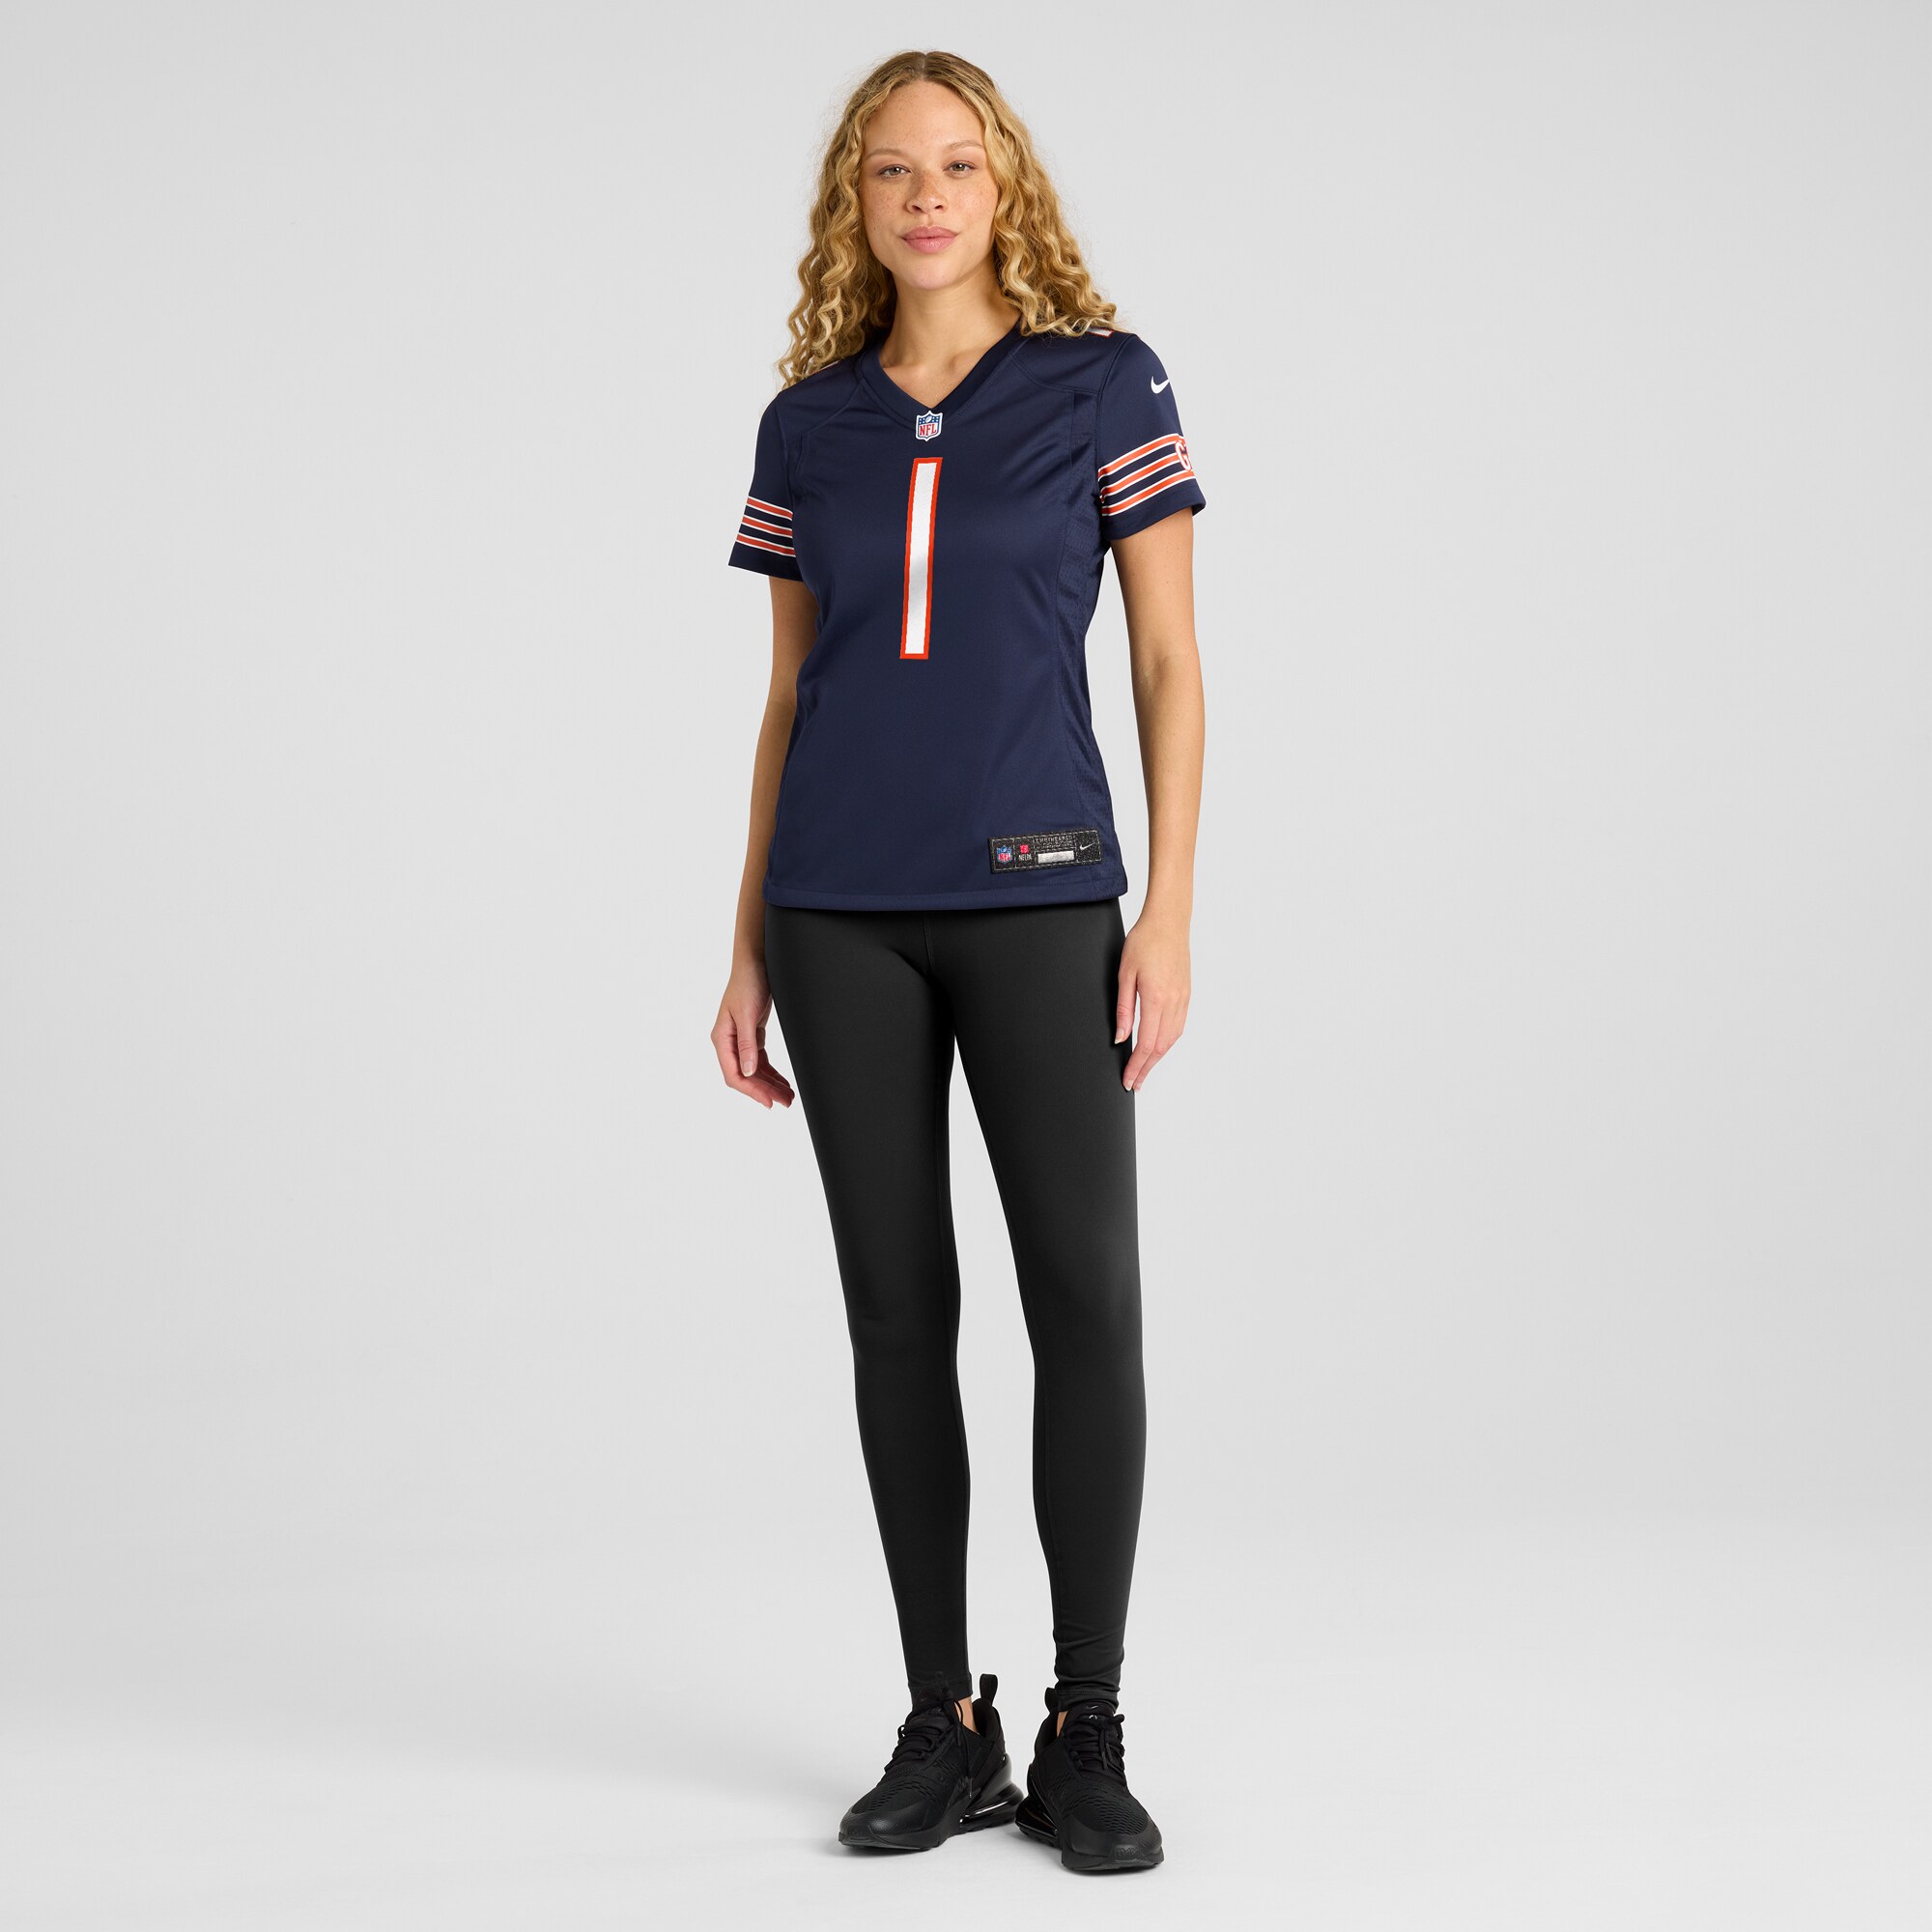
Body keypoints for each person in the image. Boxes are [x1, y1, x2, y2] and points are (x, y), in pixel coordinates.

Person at [710, 48, 1205, 1875]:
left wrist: (1167, 910)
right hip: (838, 911)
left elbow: (1168, 661)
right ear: (854, 202)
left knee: (1085, 1297)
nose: (926, 198)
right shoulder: (808, 423)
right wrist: (745, 939)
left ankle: (1087, 1726)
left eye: (958, 167)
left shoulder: (1101, 384)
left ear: (1008, 191)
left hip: (1044, 897)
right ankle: (946, 1719)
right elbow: (789, 694)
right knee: (896, 1311)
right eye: (892, 171)